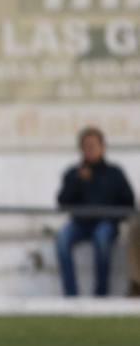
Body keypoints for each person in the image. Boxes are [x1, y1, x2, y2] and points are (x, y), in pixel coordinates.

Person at [55, 126, 135, 297]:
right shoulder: (73, 174)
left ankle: (101, 294)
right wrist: (77, 181)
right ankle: (71, 295)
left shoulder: (115, 173)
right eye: (86, 146)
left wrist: (113, 218)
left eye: (94, 145)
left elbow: (129, 202)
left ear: (103, 147)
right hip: (80, 224)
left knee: (102, 237)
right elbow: (62, 201)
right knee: (62, 239)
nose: (90, 150)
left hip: (106, 223)